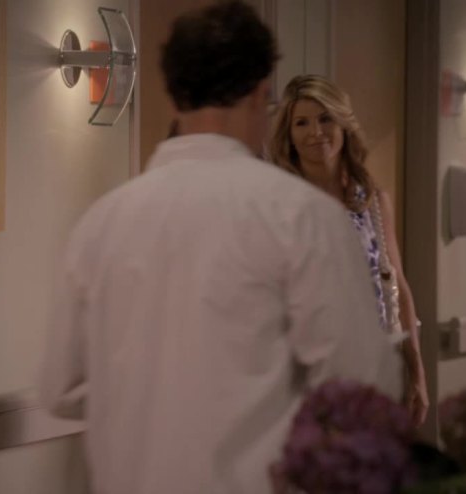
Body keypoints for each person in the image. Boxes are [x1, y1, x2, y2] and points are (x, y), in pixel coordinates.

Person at [41, 3, 401, 493]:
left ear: (173, 95)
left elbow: (59, 389)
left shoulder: (100, 224)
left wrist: (156, 397)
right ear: (260, 92)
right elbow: (363, 383)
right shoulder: (302, 216)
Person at [267, 74, 429, 426]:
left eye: (325, 118)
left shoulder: (371, 202)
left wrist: (417, 371)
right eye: (301, 123)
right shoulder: (280, 206)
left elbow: (398, 287)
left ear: (343, 123)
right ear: (289, 136)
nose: (316, 132)